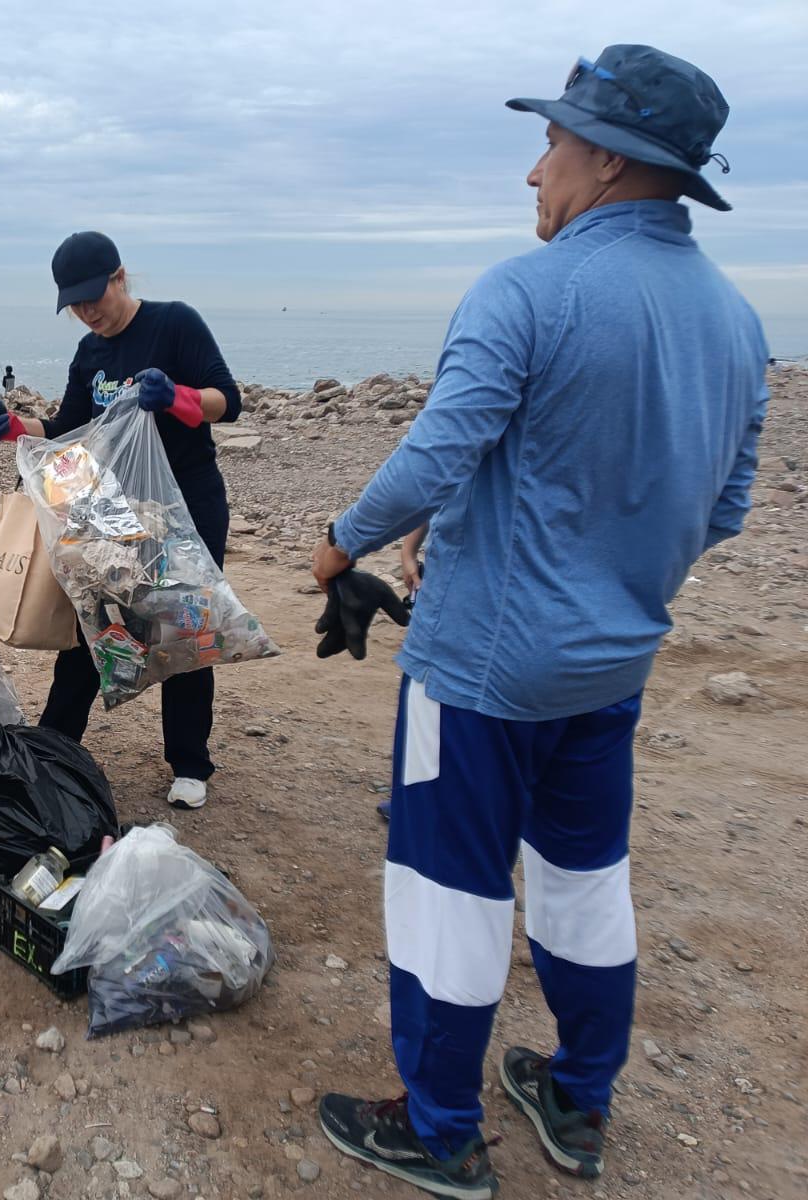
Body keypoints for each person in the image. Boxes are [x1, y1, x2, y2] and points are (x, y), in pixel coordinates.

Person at [308, 46, 768, 1199]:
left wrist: (338, 542)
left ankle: (440, 1127)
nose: (533, 171)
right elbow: (723, 505)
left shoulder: (527, 290)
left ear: (607, 158)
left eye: (551, 144)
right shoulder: (736, 320)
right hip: (612, 663)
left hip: (479, 673)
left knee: (447, 888)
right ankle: (576, 1095)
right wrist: (606, 565)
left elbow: (436, 452)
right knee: (581, 879)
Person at [0, 231, 241, 810]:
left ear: (120, 277)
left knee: (184, 629)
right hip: (113, 510)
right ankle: (54, 743)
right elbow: (71, 427)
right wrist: (16, 429)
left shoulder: (175, 324)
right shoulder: (90, 352)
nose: (86, 312)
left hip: (186, 505)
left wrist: (178, 398)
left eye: (93, 296)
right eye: (74, 303)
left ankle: (190, 763)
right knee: (92, 621)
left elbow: (229, 399)